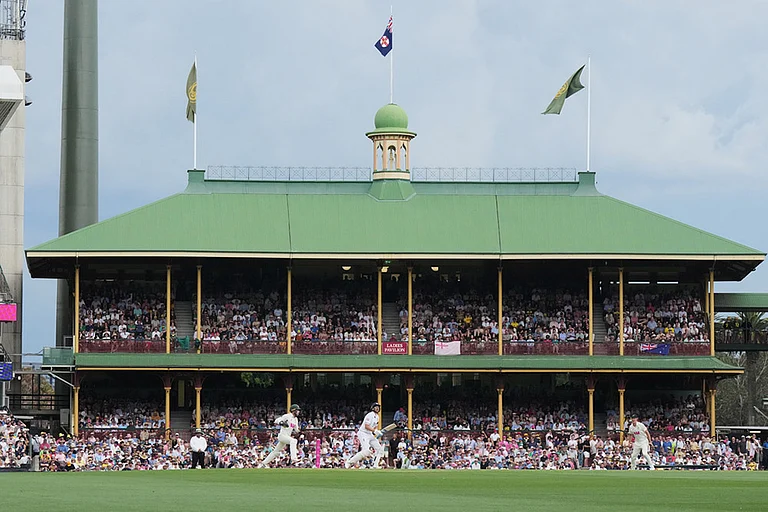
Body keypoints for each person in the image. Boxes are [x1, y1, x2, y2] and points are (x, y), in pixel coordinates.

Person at [345, 402, 384, 469]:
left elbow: (374, 427)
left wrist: (377, 432)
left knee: (380, 450)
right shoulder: (370, 415)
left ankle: (375, 465)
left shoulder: (377, 417)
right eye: (376, 407)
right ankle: (349, 462)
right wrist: (374, 431)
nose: (377, 408)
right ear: (373, 408)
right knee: (366, 451)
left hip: (370, 434)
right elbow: (366, 426)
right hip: (363, 433)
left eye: (378, 407)